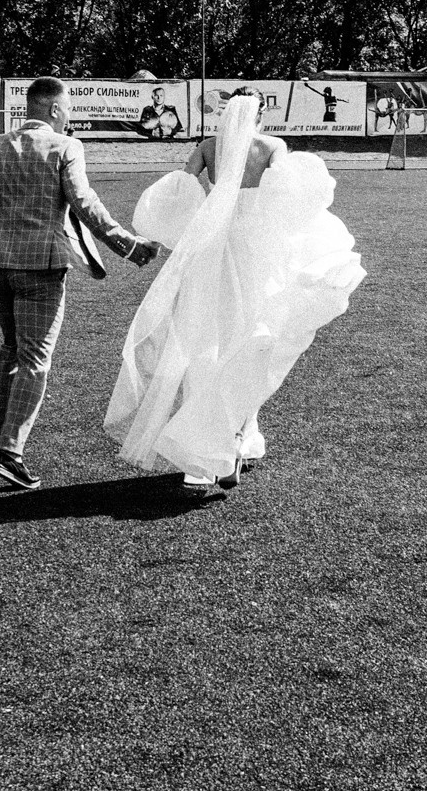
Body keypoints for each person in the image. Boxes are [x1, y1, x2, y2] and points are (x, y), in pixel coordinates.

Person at [103, 89, 365, 500]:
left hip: (216, 247)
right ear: (262, 113)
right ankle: (235, 435)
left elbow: (179, 187)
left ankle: (228, 441)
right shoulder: (272, 146)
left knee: (207, 336)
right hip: (257, 249)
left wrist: (183, 221)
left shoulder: (208, 147)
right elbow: (290, 199)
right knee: (253, 340)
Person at [0, 77, 162, 491]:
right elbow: (84, 203)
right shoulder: (66, 147)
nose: (70, 117)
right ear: (55, 110)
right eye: (68, 110)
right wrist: (129, 246)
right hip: (40, 265)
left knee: (12, 347)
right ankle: (11, 451)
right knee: (34, 358)